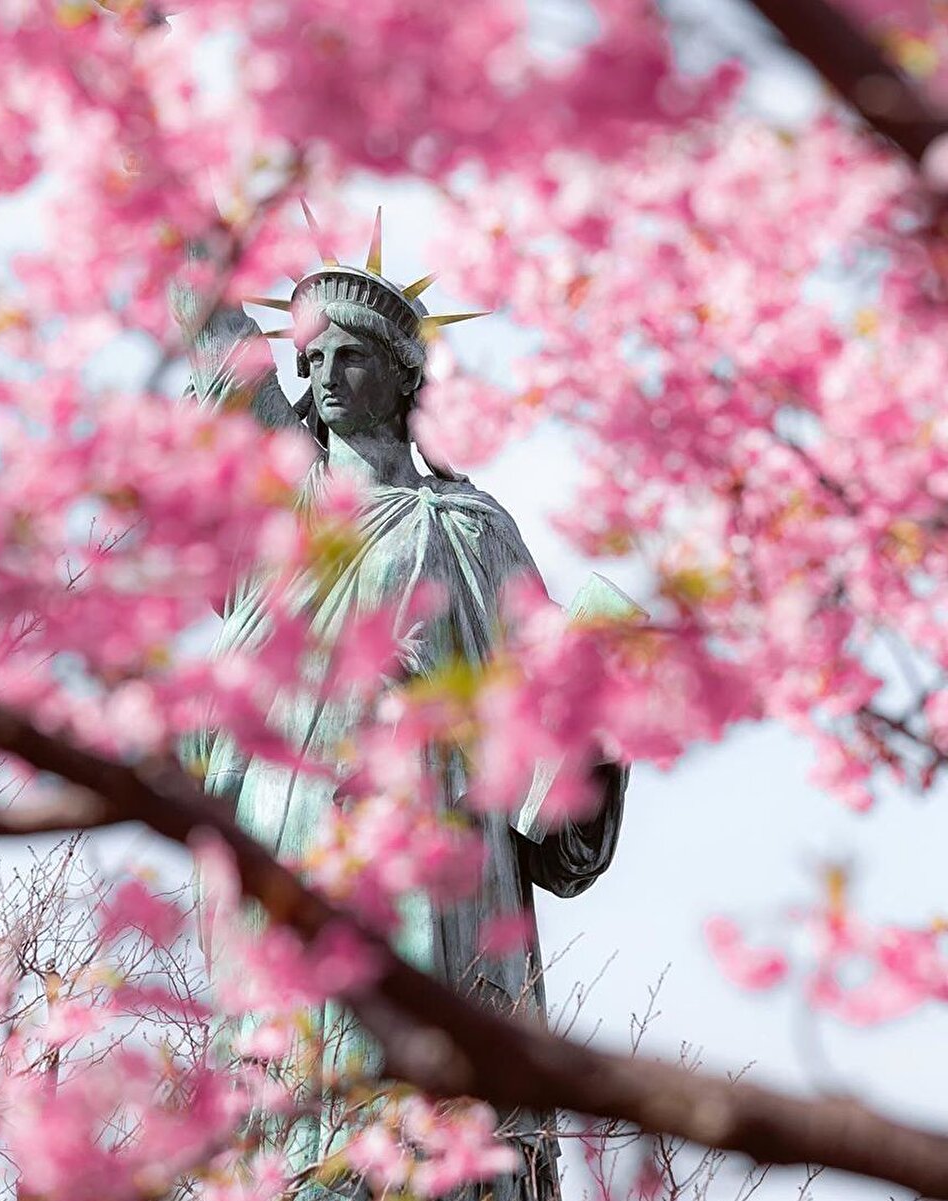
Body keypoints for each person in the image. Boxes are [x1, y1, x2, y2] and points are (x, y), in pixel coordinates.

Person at [172, 220, 626, 1200]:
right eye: (314, 357)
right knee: (293, 1069)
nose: (329, 373)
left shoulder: (468, 526)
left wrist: (588, 712)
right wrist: (189, 237)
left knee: (432, 1092)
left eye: (353, 356)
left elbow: (548, 721)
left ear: (402, 379)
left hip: (440, 844)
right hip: (287, 824)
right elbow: (222, 375)